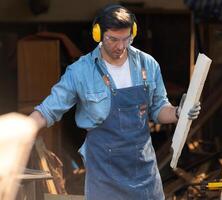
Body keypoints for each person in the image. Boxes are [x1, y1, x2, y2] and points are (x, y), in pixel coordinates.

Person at [29, 4, 201, 200]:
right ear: (98, 34)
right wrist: (24, 128)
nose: (120, 46)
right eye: (113, 39)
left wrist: (179, 112)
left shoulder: (148, 64)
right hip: (104, 174)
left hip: (143, 171)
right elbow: (48, 110)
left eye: (126, 39)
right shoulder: (81, 71)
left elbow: (159, 109)